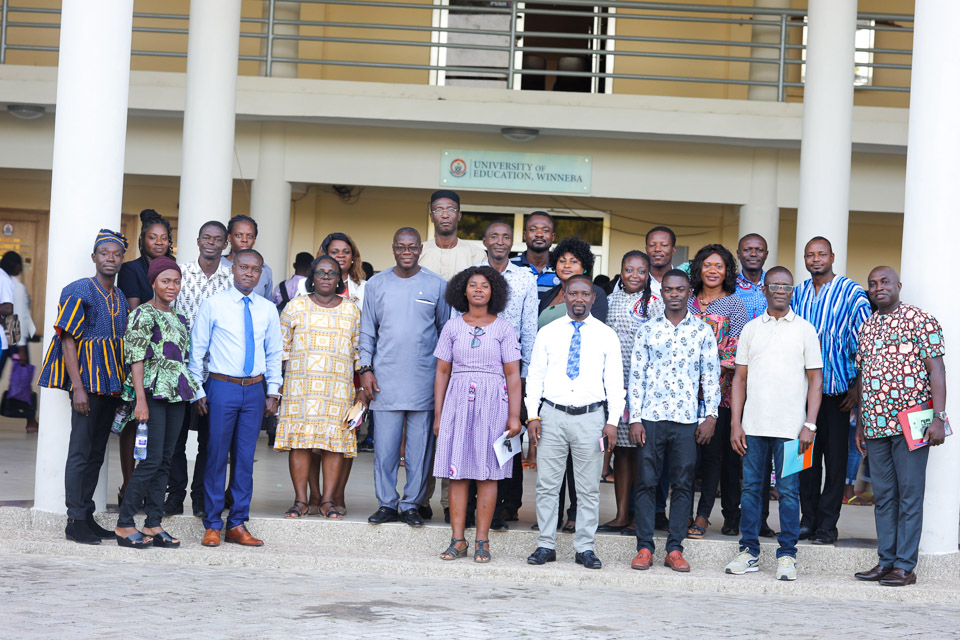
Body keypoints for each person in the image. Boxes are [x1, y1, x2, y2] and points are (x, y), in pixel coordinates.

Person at [726, 266, 823, 581]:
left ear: (792, 291)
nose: (780, 290)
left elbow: (816, 380)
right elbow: (739, 379)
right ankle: (749, 551)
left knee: (790, 492)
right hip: (753, 428)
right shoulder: (751, 329)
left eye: (786, 286)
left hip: (794, 431)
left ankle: (787, 555)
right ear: (764, 290)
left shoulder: (806, 329)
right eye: (774, 285)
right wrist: (735, 424)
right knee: (751, 489)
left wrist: (810, 425)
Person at [853, 266, 947, 587]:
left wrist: (939, 417)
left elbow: (937, 371)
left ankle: (905, 566)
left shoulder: (921, 319)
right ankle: (886, 561)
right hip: (876, 424)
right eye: (873, 284)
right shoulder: (866, 327)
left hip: (914, 423)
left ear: (898, 286)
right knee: (884, 496)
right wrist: (861, 423)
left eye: (885, 282)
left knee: (909, 495)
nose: (879, 287)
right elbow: (864, 378)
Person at [525, 275, 624, 570]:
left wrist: (612, 422)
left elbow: (616, 383)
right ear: (564, 296)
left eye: (585, 294)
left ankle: (585, 547)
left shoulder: (606, 334)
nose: (579, 299)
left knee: (589, 488)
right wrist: (532, 415)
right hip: (551, 416)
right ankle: (545, 544)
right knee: (546, 486)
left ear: (593, 298)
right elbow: (535, 377)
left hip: (591, 418)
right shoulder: (548, 332)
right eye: (573, 293)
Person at [38, 229, 130, 545]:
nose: (110, 258)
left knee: (95, 454)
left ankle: (86, 515)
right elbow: (67, 339)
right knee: (80, 451)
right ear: (94, 257)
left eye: (116, 254)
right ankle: (74, 520)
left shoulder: (119, 297)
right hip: (87, 385)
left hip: (110, 386)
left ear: (122, 259)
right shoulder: (80, 290)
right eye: (104, 253)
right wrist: (77, 387)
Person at [189, 249, 283, 548]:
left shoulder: (267, 309)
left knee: (245, 460)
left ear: (260, 274)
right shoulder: (214, 305)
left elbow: (274, 353)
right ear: (233, 269)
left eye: (255, 269)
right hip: (221, 387)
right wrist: (198, 390)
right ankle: (213, 524)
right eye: (243, 267)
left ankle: (238, 524)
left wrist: (273, 390)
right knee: (216, 456)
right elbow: (197, 351)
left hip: (254, 390)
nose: (249, 273)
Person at [628, 269, 719, 573]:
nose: (675, 294)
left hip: (685, 420)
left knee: (682, 485)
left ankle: (675, 549)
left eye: (680, 289)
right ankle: (644, 547)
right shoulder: (648, 329)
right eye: (669, 290)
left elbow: (710, 375)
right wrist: (635, 418)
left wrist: (711, 415)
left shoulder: (702, 330)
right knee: (646, 483)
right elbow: (637, 376)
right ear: (662, 293)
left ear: (689, 292)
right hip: (651, 417)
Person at [360, 228, 451, 527]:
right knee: (384, 449)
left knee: (419, 450)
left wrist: (442, 380)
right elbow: (367, 332)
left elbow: (444, 334)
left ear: (420, 249)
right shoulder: (376, 284)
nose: (407, 252)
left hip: (423, 381)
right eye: (401, 247)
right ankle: (387, 503)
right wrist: (365, 370)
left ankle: (412, 503)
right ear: (393, 248)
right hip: (385, 379)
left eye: (412, 247)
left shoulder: (436, 285)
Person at [433, 266, 522, 562]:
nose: (479, 290)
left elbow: (513, 375)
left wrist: (514, 416)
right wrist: (438, 413)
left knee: (487, 475)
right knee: (457, 475)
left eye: (485, 285)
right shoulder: (452, 327)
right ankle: (458, 540)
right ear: (463, 291)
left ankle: (482, 540)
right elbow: (442, 371)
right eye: (473, 285)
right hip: (457, 402)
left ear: (494, 291)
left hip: (493, 404)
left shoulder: (504, 328)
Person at [115, 257, 200, 549]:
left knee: (165, 461)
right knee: (150, 461)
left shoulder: (179, 318)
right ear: (153, 283)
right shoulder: (143, 314)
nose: (172, 286)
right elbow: (135, 359)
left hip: (177, 395)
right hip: (152, 394)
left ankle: (153, 522)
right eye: (165, 281)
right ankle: (125, 524)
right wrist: (140, 400)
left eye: (176, 281)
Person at [792, 236, 870, 545]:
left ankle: (827, 525)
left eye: (821, 254)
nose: (815, 259)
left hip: (839, 394)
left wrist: (858, 388)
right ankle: (807, 519)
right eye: (810, 255)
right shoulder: (798, 294)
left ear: (833, 257)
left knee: (836, 464)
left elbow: (865, 344)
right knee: (805, 460)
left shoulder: (852, 293)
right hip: (803, 394)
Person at [275, 256, 361, 519]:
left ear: (339, 279)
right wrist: (275, 388)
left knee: (333, 444)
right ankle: (301, 500)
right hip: (300, 389)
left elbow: (359, 352)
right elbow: (281, 350)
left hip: (338, 389)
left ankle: (327, 501)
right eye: (321, 272)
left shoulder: (351, 310)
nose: (326, 277)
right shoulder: (295, 307)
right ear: (312, 276)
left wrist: (362, 391)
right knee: (300, 444)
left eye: (332, 273)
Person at [537, 236, 608, 533]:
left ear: (585, 266)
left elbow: (594, 333)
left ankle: (576, 514)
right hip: (551, 386)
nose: (567, 265)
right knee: (554, 465)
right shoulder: (550, 294)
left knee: (581, 463)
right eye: (562, 260)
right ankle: (550, 522)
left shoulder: (596, 294)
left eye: (574, 261)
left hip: (584, 388)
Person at [164, 221, 233, 518]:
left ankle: (201, 499)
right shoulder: (180, 274)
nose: (211, 243)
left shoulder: (233, 278)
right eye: (207, 237)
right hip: (179, 370)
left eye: (218, 239)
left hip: (216, 372)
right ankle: (175, 496)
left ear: (225, 244)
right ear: (197, 240)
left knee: (211, 441)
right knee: (176, 439)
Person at [686, 244, 749, 539]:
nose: (712, 271)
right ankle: (683, 513)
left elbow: (734, 353)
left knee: (714, 458)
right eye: (707, 265)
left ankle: (702, 516)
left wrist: (700, 370)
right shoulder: (686, 301)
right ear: (698, 268)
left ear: (727, 272)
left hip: (720, 395)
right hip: (682, 396)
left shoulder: (735, 305)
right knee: (686, 458)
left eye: (719, 266)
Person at [598, 251, 663, 534]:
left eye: (640, 270)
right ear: (620, 271)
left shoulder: (656, 304)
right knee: (621, 451)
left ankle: (642, 516)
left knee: (644, 452)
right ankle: (622, 513)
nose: (634, 275)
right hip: (614, 386)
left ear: (648, 274)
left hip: (646, 388)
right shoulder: (607, 302)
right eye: (628, 269)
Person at [479, 221, 538, 529]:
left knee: (508, 435)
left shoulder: (525, 279)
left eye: (505, 237)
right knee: (478, 435)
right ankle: (479, 503)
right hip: (474, 369)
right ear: (485, 241)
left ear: (512, 242)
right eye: (494, 236)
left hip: (510, 373)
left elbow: (529, 329)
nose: (500, 242)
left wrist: (525, 374)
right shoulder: (472, 275)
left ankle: (507, 504)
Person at [116, 209, 174, 505]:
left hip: (168, 361)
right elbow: (135, 314)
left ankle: (150, 489)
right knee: (132, 423)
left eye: (164, 238)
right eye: (153, 237)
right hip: (139, 352)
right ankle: (128, 485)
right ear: (143, 240)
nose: (159, 242)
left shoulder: (174, 269)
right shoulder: (131, 269)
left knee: (159, 432)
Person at [733, 233, 776, 537]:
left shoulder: (777, 286)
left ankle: (759, 519)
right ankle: (734, 516)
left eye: (758, 250)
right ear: (739, 253)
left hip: (769, 381)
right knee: (737, 452)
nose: (753, 254)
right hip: (735, 378)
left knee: (762, 456)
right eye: (748, 249)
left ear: (766, 253)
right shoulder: (729, 287)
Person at [0, 251, 38, 433]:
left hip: (5, 336)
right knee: (24, 381)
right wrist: (21, 346)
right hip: (14, 338)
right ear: (15, 266)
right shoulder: (15, 285)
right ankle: (31, 422)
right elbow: (17, 315)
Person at [419, 190, 487, 280]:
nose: (445, 215)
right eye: (438, 210)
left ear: (459, 215)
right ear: (431, 216)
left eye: (451, 209)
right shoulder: (418, 253)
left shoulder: (476, 255)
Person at [221, 214, 274, 300]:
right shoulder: (217, 265)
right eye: (238, 235)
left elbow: (267, 303)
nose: (244, 240)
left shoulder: (265, 270)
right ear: (229, 237)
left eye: (249, 236)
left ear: (254, 240)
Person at [512, 211, 560, 299]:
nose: (539, 234)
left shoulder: (563, 267)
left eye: (545, 230)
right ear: (525, 235)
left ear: (553, 237)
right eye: (533, 230)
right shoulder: (509, 266)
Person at [645, 226, 677, 297]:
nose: (657, 249)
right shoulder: (634, 281)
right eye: (652, 245)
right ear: (646, 249)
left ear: (673, 250)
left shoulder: (684, 281)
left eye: (664, 245)